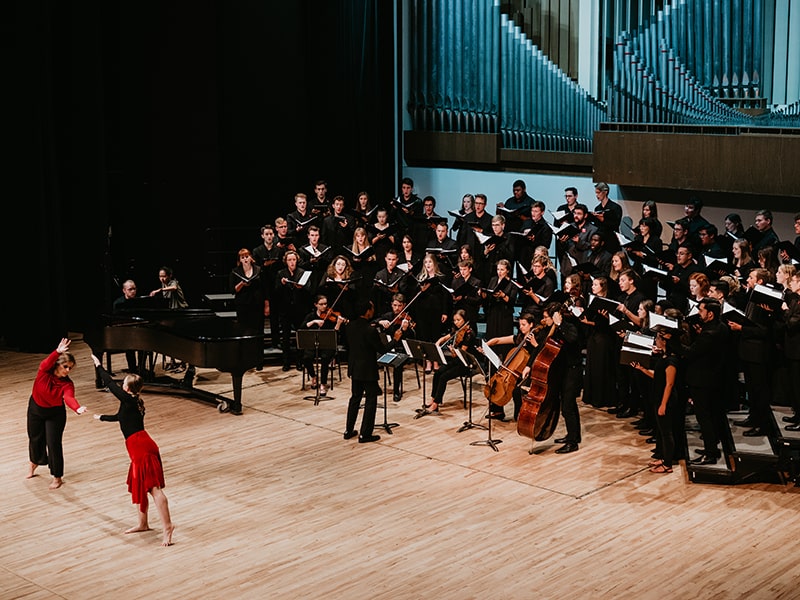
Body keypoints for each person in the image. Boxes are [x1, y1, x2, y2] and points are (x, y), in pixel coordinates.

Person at [91, 354, 174, 546]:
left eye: (123, 384)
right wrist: (101, 417)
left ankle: (168, 526)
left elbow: (110, 384)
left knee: (154, 489)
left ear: (127, 388)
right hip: (139, 445)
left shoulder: (128, 399)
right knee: (140, 486)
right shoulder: (131, 402)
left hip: (141, 448)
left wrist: (98, 366)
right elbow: (121, 418)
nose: (121, 386)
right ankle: (143, 524)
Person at [26, 338, 88, 489]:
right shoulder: (44, 372)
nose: (68, 370)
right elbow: (46, 363)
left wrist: (77, 407)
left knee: (53, 444)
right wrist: (58, 351)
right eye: (65, 366)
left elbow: (69, 397)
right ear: (57, 365)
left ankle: (57, 477)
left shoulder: (67, 383)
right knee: (35, 438)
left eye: (70, 368)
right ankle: (34, 462)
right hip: (35, 409)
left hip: (55, 415)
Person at [631, 312, 685, 474]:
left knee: (667, 432)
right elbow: (657, 376)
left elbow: (669, 384)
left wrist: (663, 405)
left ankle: (667, 464)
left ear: (665, 341)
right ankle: (663, 457)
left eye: (658, 339)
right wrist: (642, 369)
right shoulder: (664, 356)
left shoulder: (672, 360)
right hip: (658, 395)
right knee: (662, 432)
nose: (656, 340)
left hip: (666, 399)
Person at [683, 299, 730, 465]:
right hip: (715, 378)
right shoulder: (721, 327)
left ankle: (710, 453)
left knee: (704, 417)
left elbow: (691, 353)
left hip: (703, 380)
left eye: (701, 310)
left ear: (710, 314)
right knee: (713, 415)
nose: (699, 313)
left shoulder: (709, 334)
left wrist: (672, 341)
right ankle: (713, 446)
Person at [417, 309, 477, 416]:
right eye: (454, 320)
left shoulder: (469, 334)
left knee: (444, 377)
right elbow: (445, 338)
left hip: (465, 364)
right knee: (438, 372)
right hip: (456, 361)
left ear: (465, 320)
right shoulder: (457, 331)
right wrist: (438, 343)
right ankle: (433, 399)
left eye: (458, 320)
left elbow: (462, 352)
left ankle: (435, 405)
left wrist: (454, 352)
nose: (456, 322)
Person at [343, 301, 387, 443]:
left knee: (355, 398)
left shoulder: (349, 326)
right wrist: (396, 339)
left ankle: (348, 431)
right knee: (370, 400)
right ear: (368, 311)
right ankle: (365, 434)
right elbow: (382, 349)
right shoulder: (370, 330)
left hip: (354, 368)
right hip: (367, 370)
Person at [580, 277, 618, 408]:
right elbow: (587, 315)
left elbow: (607, 324)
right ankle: (591, 397)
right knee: (592, 367)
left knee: (601, 368)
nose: (592, 287)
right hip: (593, 336)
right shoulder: (592, 300)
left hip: (604, 338)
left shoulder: (609, 302)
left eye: (595, 285)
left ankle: (601, 399)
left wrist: (589, 322)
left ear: (603, 287)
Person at [301, 294, 347, 396]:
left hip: (327, 345)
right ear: (315, 305)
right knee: (306, 357)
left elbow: (334, 334)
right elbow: (302, 327)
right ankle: (313, 376)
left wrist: (338, 323)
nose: (324, 306)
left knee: (325, 358)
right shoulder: (311, 316)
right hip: (313, 344)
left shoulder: (330, 317)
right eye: (321, 304)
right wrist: (314, 322)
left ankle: (323, 384)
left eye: (325, 304)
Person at [374, 293, 416, 402]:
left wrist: (406, 330)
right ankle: (375, 387)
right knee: (371, 359)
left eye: (399, 306)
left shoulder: (407, 319)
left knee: (397, 364)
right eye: (394, 305)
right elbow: (372, 323)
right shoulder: (388, 316)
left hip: (402, 350)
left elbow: (413, 336)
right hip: (388, 348)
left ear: (404, 305)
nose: (397, 308)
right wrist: (380, 322)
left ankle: (396, 390)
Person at [274, 250, 311, 371]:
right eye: (289, 260)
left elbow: (309, 290)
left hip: (299, 309)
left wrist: (302, 287)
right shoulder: (281, 273)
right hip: (285, 309)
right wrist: (282, 284)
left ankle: (300, 361)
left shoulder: (302, 272)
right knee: (285, 337)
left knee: (299, 336)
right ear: (286, 261)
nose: (292, 262)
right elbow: (276, 291)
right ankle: (286, 362)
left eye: (294, 260)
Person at [229, 248, 266, 336]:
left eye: (247, 256)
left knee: (258, 327)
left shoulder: (258, 270)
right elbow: (232, 290)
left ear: (251, 257)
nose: (245, 259)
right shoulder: (235, 272)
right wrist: (241, 284)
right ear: (240, 260)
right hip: (243, 303)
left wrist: (266, 303)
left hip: (257, 303)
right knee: (243, 327)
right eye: (242, 257)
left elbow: (264, 287)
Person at [590, 182, 623, 252]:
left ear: (605, 192)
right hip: (601, 240)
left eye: (598, 193)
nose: (597, 195)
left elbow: (616, 224)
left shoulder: (615, 207)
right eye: (596, 193)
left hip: (611, 239)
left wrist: (603, 219)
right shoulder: (597, 208)